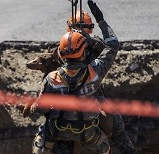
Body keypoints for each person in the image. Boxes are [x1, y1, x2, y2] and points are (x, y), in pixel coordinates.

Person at [25, 0, 137, 153]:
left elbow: (42, 105)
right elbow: (111, 46)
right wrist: (100, 19)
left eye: (86, 27)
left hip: (68, 97)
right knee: (116, 127)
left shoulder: (64, 54)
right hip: (90, 92)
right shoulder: (92, 68)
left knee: (116, 126)